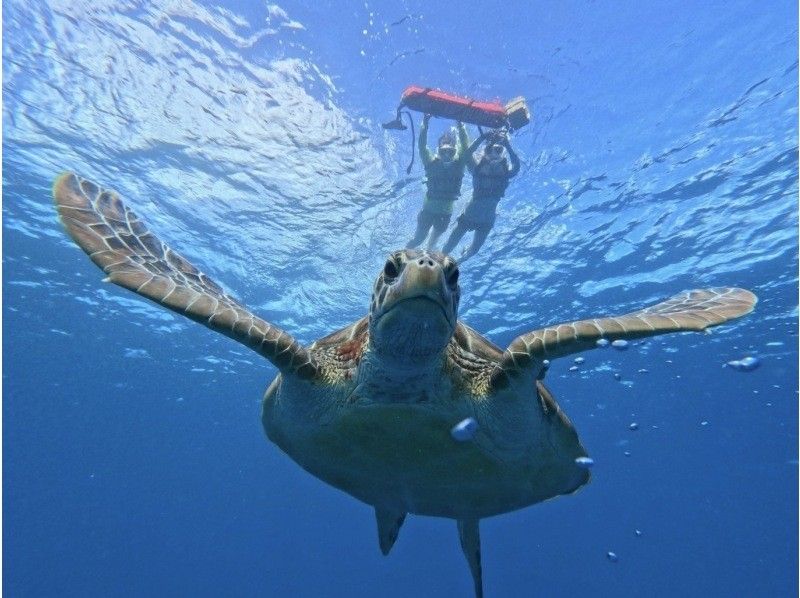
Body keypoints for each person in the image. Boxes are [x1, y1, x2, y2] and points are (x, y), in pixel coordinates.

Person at [441, 131, 520, 261]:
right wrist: (481, 138)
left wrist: (508, 144)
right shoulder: (477, 168)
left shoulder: (505, 172)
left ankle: (456, 264)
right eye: (490, 150)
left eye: (499, 150)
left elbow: (517, 167)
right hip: (469, 215)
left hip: (487, 220)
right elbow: (466, 155)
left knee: (474, 251)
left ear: (502, 153)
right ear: (485, 152)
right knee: (448, 247)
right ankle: (437, 264)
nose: (494, 153)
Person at [406, 114, 470, 249]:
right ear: (438, 151)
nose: (446, 155)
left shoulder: (460, 165)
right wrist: (425, 124)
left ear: (455, 151)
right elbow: (422, 146)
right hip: (428, 211)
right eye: (443, 152)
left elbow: (465, 146)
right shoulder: (430, 163)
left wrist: (461, 126)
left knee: (432, 243)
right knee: (418, 239)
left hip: (445, 214)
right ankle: (401, 258)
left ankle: (427, 263)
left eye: (450, 152)